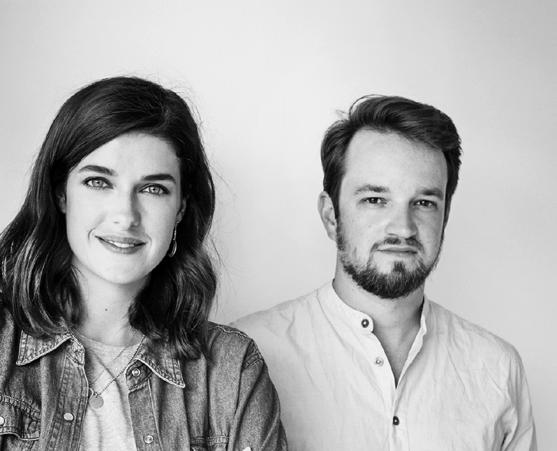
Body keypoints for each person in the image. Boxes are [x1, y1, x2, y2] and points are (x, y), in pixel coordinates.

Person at [234, 95, 536, 450]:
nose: (403, 228)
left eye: (424, 203)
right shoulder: (247, 355)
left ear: (445, 217)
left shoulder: (498, 368)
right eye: (375, 200)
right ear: (331, 215)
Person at [0, 76, 286, 450]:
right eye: (99, 182)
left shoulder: (231, 370)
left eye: (153, 189)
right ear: (60, 193)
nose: (126, 215)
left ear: (181, 208)